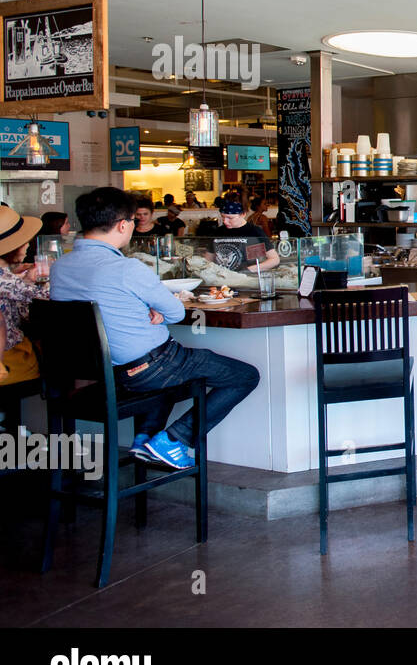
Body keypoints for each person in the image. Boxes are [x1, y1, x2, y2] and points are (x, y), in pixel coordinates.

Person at [50, 187, 260, 469]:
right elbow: (174, 312)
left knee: (172, 371)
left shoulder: (60, 268)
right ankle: (174, 440)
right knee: (245, 376)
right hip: (146, 370)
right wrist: (155, 310)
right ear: (124, 225)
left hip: (101, 375)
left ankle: (144, 440)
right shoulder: (128, 268)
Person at [0, 207, 48, 387]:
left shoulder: (7, 277)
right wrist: (36, 280)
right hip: (13, 360)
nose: (27, 245)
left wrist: (25, 280)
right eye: (24, 241)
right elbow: (49, 299)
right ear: (11, 247)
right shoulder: (6, 280)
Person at [205, 197, 280, 271]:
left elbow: (274, 259)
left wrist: (248, 270)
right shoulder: (218, 232)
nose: (225, 221)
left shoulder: (254, 231)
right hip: (222, 279)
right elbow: (208, 259)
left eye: (230, 218)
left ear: (243, 214)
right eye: (223, 217)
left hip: (246, 278)